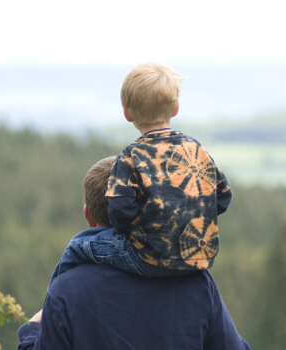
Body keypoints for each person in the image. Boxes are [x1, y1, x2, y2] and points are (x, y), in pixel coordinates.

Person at [18, 157, 250, 350]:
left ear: (88, 216)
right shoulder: (195, 282)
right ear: (145, 212)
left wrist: (30, 332)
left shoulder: (65, 290)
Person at [48, 62, 232, 285]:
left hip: (148, 260)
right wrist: (191, 214)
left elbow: (120, 210)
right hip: (199, 259)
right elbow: (223, 196)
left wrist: (142, 229)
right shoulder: (196, 150)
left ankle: (52, 303)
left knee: (79, 246)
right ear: (175, 108)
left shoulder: (130, 157)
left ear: (126, 113)